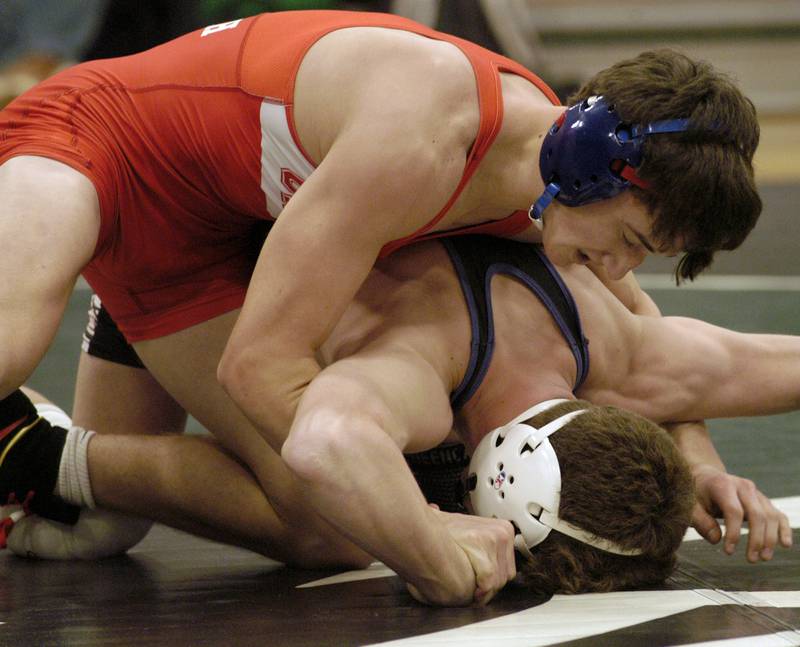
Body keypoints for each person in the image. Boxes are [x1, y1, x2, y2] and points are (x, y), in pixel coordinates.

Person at [0, 11, 761, 474]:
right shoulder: (427, 136)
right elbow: (261, 366)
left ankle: (29, 454)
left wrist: (697, 459)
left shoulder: (553, 187)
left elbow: (640, 340)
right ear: (589, 163)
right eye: (629, 239)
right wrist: (417, 519)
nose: (623, 269)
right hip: (95, 135)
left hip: (200, 241)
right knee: (12, 339)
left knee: (304, 533)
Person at [1, 234, 792, 605]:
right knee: (334, 525)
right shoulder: (420, 366)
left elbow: (703, 366)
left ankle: (49, 452)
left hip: (248, 287)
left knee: (90, 534)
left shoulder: (604, 344)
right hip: (189, 271)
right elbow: (328, 443)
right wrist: (428, 548)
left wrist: (697, 460)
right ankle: (31, 446)